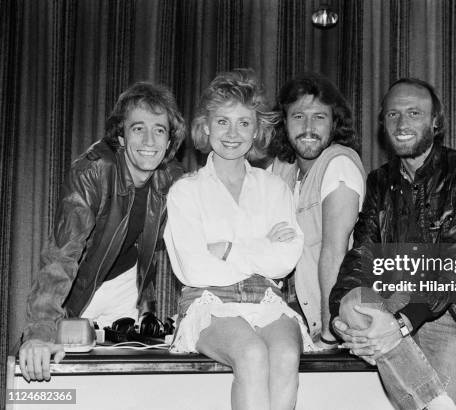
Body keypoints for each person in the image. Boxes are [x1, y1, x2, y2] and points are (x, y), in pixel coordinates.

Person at [329, 78, 456, 410]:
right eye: (392, 115)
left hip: (448, 310)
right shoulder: (379, 181)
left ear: (435, 121)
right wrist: (339, 314)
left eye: (414, 113)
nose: (402, 124)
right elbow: (361, 252)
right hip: (388, 300)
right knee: (352, 301)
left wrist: (402, 324)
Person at [19, 82, 186, 381]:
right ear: (120, 136)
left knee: (122, 385)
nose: (149, 139)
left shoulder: (174, 178)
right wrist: (41, 330)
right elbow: (62, 254)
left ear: (169, 139)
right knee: (64, 385)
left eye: (159, 129)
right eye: (138, 128)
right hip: (80, 292)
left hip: (126, 289)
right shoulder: (92, 171)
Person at [164, 69, 310, 410]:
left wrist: (228, 249)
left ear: (257, 129)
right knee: (252, 352)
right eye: (223, 122)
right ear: (206, 126)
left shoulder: (274, 187)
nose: (233, 133)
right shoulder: (186, 191)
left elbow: (285, 259)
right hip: (209, 301)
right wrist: (261, 249)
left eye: (244, 123)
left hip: (268, 300)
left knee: (287, 353)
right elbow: (194, 269)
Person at [268, 73, 365, 348]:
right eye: (298, 116)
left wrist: (328, 332)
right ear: (284, 122)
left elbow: (335, 251)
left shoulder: (339, 164)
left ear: (335, 123)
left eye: (319, 117)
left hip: (327, 317)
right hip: (286, 307)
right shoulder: (282, 169)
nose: (308, 127)